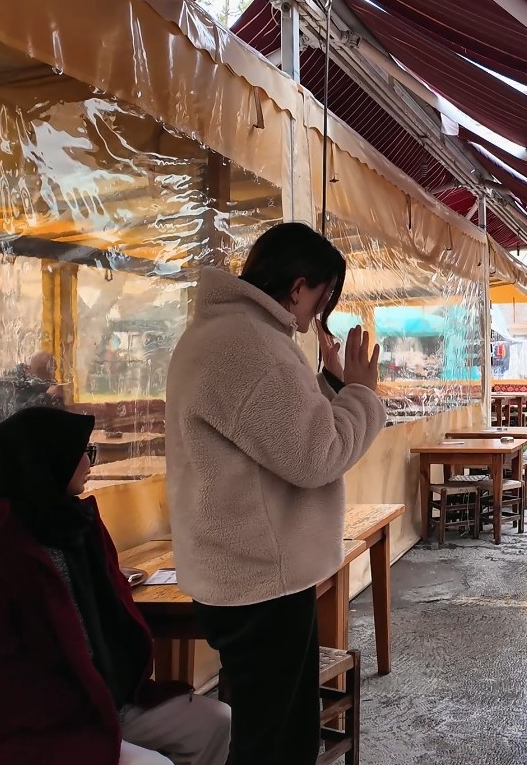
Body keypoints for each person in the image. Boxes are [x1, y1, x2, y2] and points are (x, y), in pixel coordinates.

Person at [165, 222, 386, 764]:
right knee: (277, 744)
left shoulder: (225, 334)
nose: (319, 314)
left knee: (270, 731)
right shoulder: (251, 346)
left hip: (242, 572)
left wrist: (334, 386)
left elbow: (282, 434)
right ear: (298, 286)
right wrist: (361, 393)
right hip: (261, 581)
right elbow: (316, 455)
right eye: (323, 298)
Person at [0, 407, 230, 765]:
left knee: (219, 722)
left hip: (110, 700)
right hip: (38, 725)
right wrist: (70, 706)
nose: (91, 462)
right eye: (84, 451)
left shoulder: (78, 523)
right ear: (49, 461)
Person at [0, 351, 65, 420]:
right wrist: (48, 396)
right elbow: (18, 415)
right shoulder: (10, 385)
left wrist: (56, 398)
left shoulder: (36, 384)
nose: (54, 380)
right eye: (49, 374)